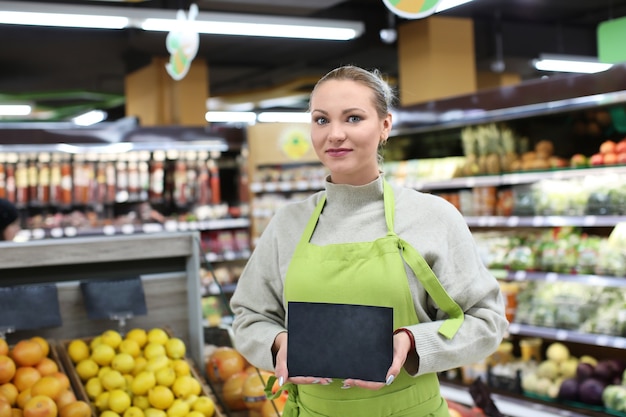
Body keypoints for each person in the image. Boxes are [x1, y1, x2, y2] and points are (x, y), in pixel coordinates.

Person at [230, 65, 508, 417]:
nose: (335, 134)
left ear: (385, 126)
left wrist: (413, 343)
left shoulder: (432, 217)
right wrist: (277, 343)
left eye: (353, 118)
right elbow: (248, 315)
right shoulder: (288, 224)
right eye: (321, 120)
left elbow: (487, 320)